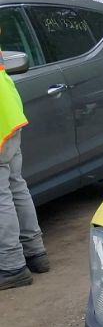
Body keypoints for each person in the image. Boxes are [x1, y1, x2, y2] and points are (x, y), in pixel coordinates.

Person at [0, 48, 48, 291]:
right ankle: (35, 252)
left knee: (2, 195)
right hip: (8, 112)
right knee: (15, 184)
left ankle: (11, 267)